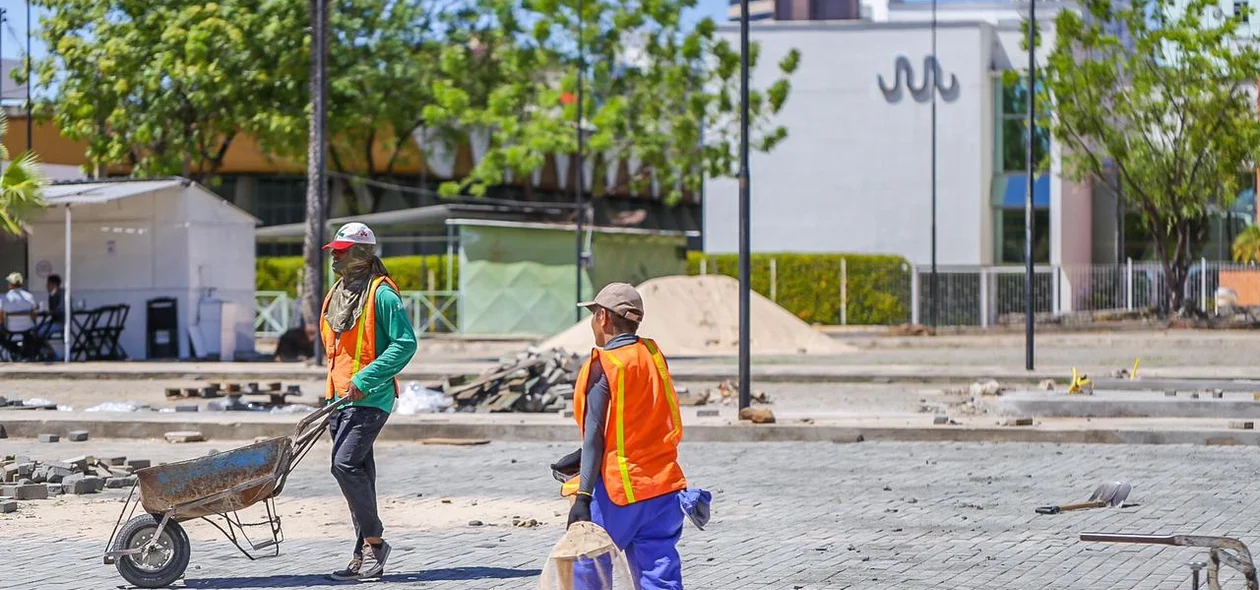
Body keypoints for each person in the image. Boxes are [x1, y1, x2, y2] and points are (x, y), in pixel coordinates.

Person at [553, 282, 689, 590]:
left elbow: (594, 437)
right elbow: (636, 420)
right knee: (659, 576)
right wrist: (579, 456)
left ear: (603, 317)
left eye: (592, 315)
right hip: (663, 488)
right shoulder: (653, 355)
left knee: (584, 570)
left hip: (620, 491)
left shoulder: (604, 365)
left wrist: (583, 499)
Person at [319, 222, 417, 582]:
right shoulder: (337, 294)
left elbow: (405, 344)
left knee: (344, 465)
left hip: (370, 397)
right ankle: (365, 552)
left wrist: (365, 378)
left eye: (341, 251)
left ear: (360, 254)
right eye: (334, 251)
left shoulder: (382, 295)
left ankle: (374, 543)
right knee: (359, 473)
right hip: (340, 399)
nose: (335, 257)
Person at [0, 272, 38, 358]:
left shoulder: (5, 298)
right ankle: (26, 354)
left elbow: (1, 315)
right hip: (27, 328)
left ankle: (16, 350)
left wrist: (2, 324)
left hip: (10, 328)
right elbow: (34, 313)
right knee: (33, 333)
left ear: (10, 284)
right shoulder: (29, 296)